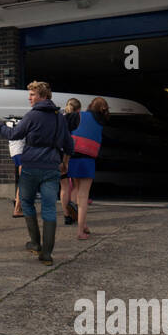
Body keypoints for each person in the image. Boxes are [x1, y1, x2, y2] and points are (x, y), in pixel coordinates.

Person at [0, 82, 73, 266]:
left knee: (26, 202)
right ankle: (47, 254)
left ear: (42, 96)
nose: (29, 98)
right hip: (52, 167)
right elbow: (69, 145)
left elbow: (13, 134)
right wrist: (64, 163)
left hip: (31, 166)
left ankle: (35, 242)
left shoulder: (32, 115)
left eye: (32, 94)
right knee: (50, 208)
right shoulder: (60, 117)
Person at [68, 97, 109, 240]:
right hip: (88, 160)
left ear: (91, 105)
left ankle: (83, 224)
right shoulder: (102, 122)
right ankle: (80, 231)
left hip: (73, 158)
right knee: (83, 196)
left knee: (77, 191)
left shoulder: (78, 116)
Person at [60, 98, 82, 225]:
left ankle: (66, 214)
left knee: (62, 185)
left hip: (55, 154)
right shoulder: (75, 118)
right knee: (73, 185)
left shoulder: (59, 116)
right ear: (78, 109)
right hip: (67, 155)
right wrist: (66, 161)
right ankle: (72, 211)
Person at [8, 134, 25, 218]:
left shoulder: (9, 121)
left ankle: (17, 202)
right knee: (24, 181)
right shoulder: (21, 120)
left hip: (14, 150)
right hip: (21, 149)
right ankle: (17, 209)